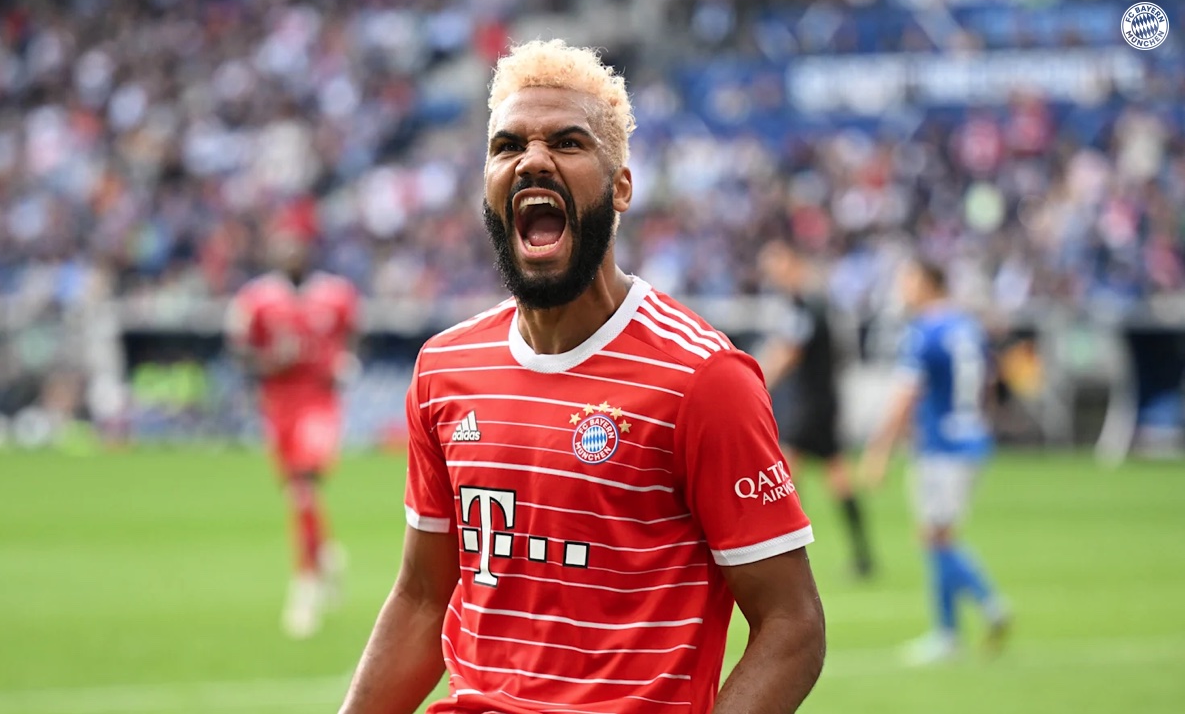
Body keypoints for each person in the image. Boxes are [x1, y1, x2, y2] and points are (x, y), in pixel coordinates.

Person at [340, 39, 825, 714]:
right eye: (507, 145)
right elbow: (423, 597)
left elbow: (792, 625)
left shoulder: (703, 378)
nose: (532, 159)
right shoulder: (445, 367)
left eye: (567, 142)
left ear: (621, 186)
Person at [859, 257, 1010, 664]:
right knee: (938, 535)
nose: (902, 288)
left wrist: (879, 451)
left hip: (942, 447)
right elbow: (989, 381)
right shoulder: (967, 325)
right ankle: (949, 633)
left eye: (907, 280)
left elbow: (905, 395)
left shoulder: (924, 331)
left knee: (936, 539)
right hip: (972, 438)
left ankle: (987, 605)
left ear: (928, 283)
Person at [225, 227, 359, 639]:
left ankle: (305, 586)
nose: (291, 257)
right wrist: (269, 360)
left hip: (319, 402)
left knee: (304, 486)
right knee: (299, 495)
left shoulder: (336, 294)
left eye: (297, 250)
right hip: (278, 403)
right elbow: (239, 351)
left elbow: (352, 337)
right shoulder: (256, 299)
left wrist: (344, 362)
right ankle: (326, 553)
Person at [757, 239, 874, 578]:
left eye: (777, 267)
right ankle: (862, 556)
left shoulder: (806, 305)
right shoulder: (815, 303)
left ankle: (787, 552)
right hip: (823, 400)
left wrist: (756, 382)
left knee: (783, 476)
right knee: (837, 476)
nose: (773, 275)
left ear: (794, 264)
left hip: (810, 405)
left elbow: (788, 352)